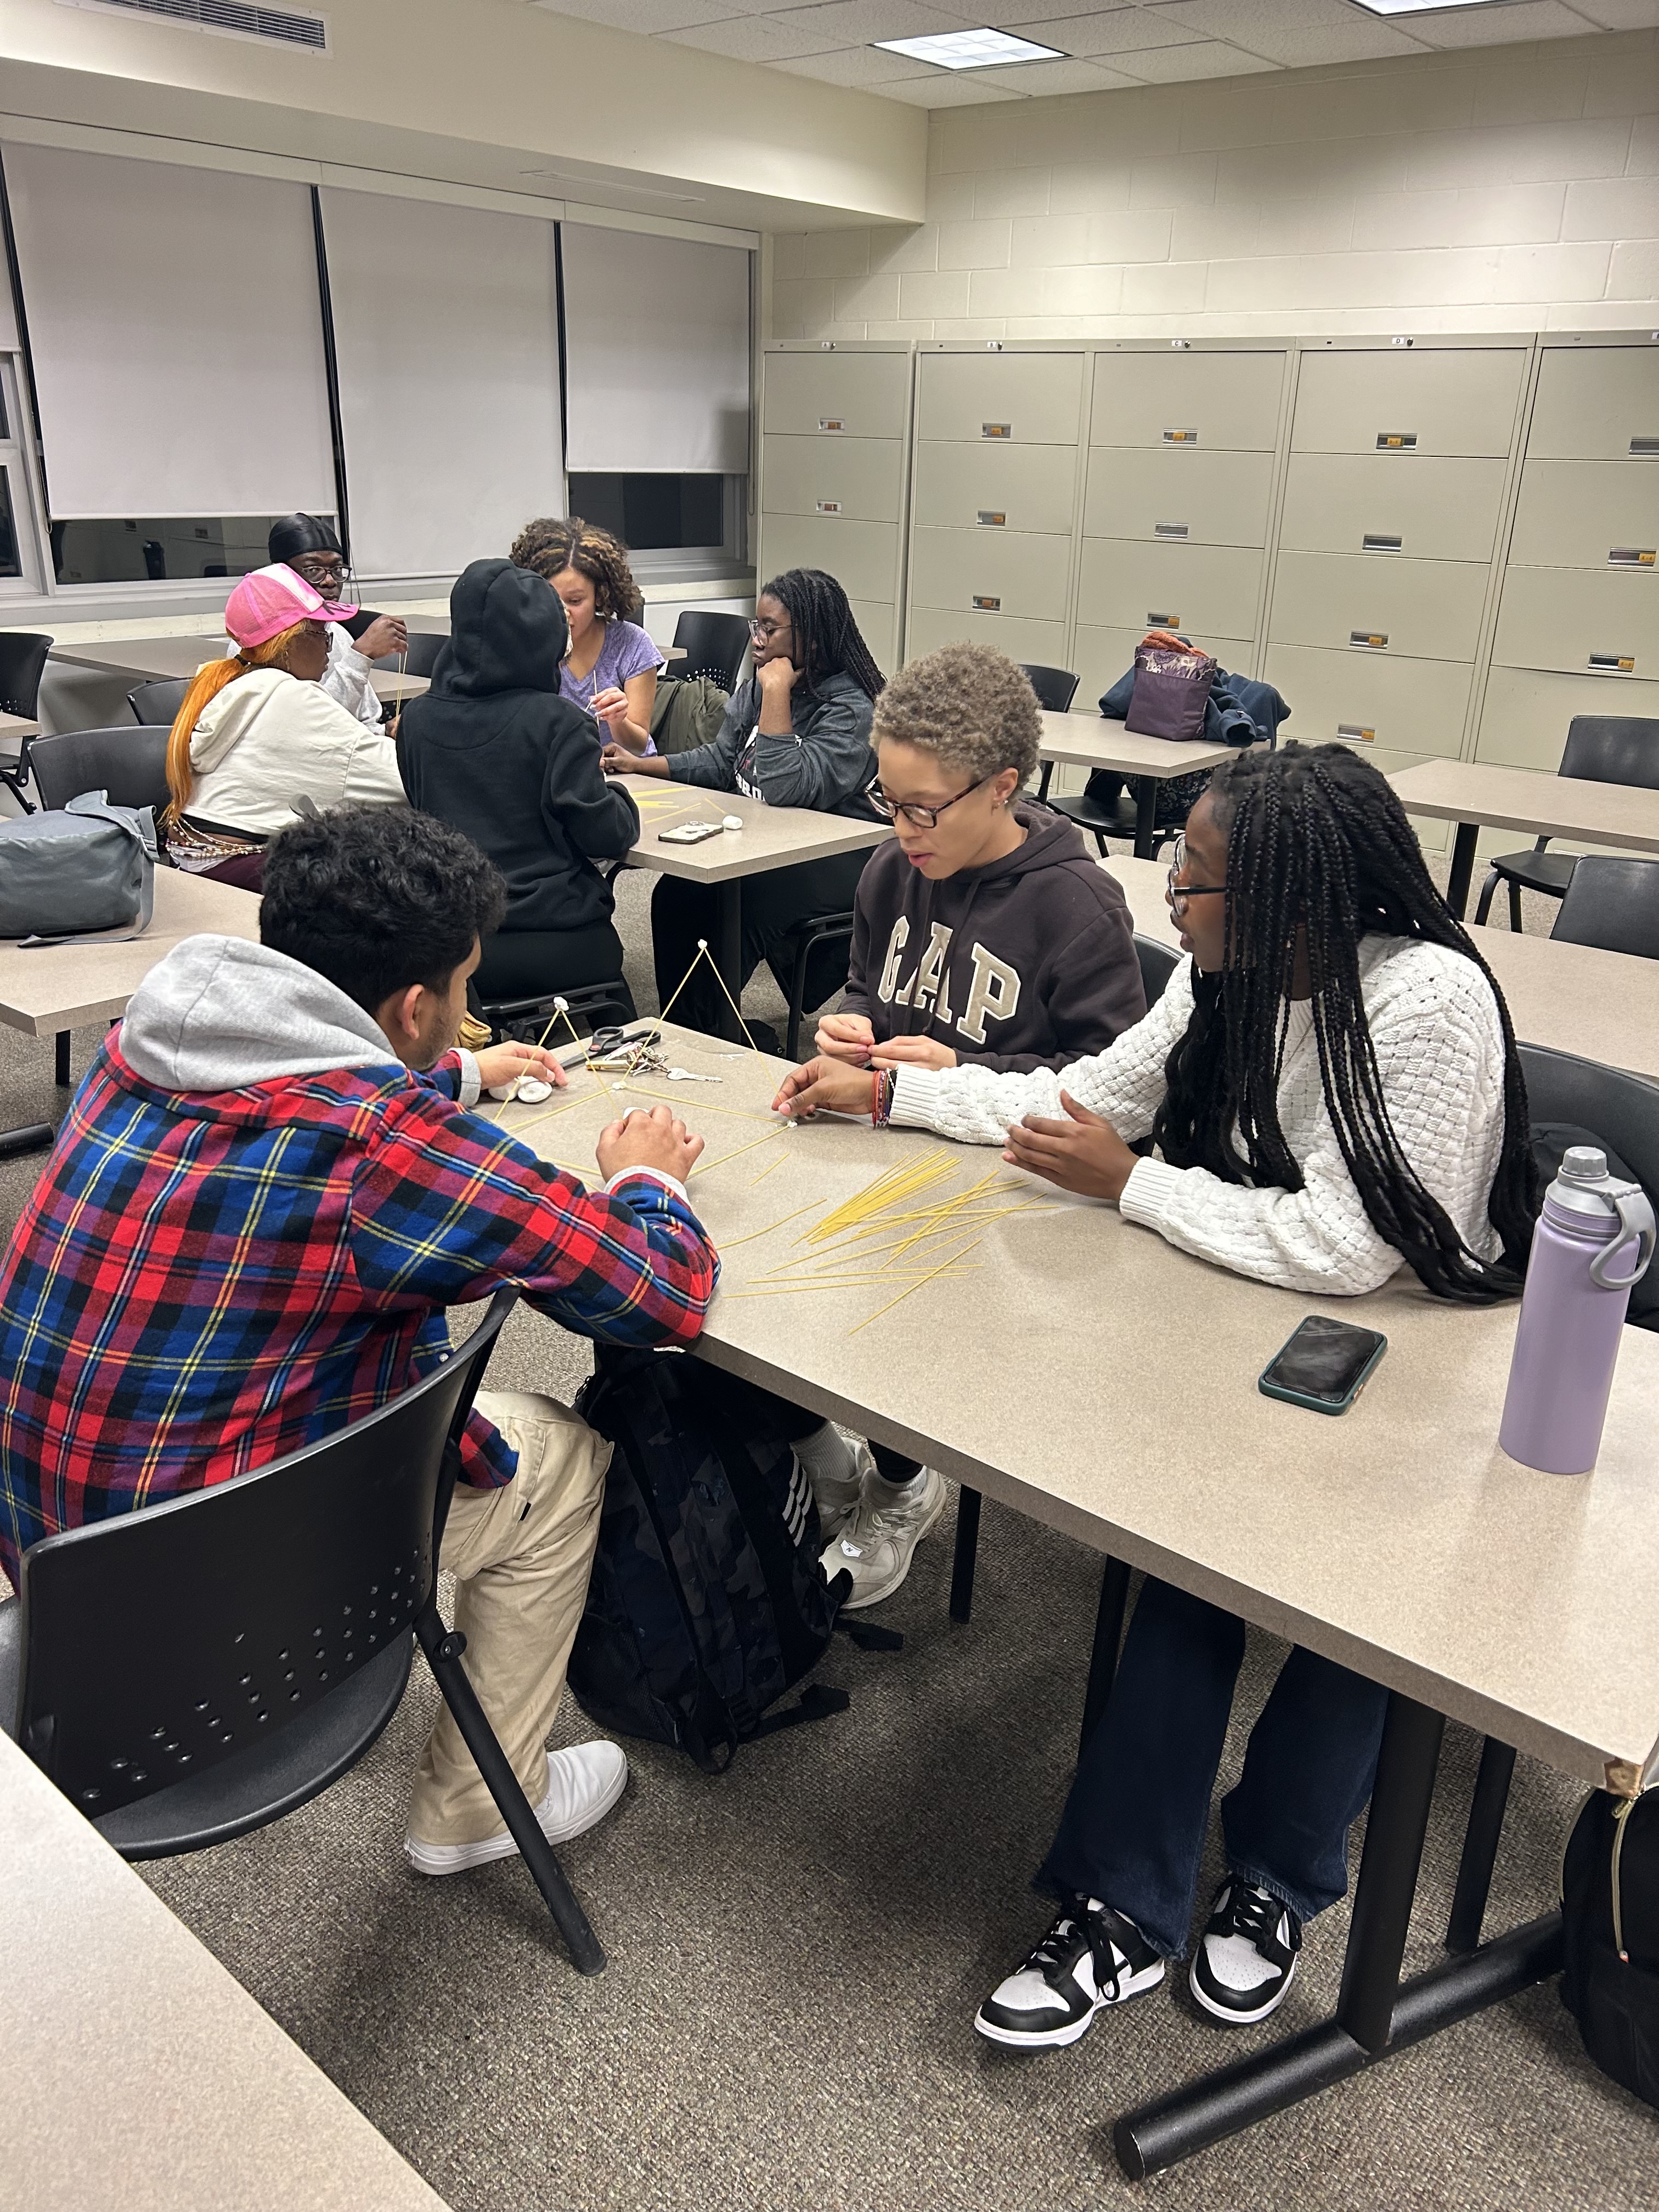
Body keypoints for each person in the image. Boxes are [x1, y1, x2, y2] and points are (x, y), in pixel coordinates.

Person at [778, 742, 1541, 2041]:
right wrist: (900, 1092)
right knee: (1195, 1560)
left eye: (1194, 881)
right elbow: (1084, 1101)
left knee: (1358, 1601)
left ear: (1294, 900)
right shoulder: (1225, 973)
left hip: (1424, 1354)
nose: (1172, 904)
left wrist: (1127, 1185)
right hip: (1271, 1316)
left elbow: (1351, 1250)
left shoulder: (1428, 1003)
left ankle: (1278, 1882)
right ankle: (1124, 1908)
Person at [0, 805, 716, 1872]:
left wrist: (466, 1075)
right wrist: (650, 1176)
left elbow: (309, 1081)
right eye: (465, 993)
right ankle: (479, 1808)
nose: (469, 1011)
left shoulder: (141, 1049)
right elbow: (659, 1293)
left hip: (54, 1570)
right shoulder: (384, 1149)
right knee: (563, 1459)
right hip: (205, 1616)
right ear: (416, 1004)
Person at [803, 640, 1149, 1609]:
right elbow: (870, 987)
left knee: (903, 1326)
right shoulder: (889, 870)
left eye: (924, 807)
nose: (903, 828)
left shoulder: (1075, 906)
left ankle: (904, 1480)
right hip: (889, 1148)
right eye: (888, 800)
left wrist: (966, 1068)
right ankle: (827, 1447)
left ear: (1001, 788)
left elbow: (1111, 1089)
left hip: (1005, 1188)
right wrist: (854, 1021)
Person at [607, 568, 884, 1041]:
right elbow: (722, 759)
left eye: (769, 629)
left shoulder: (851, 709)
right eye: (755, 625)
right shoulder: (759, 684)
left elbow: (782, 785)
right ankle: (697, 1027)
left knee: (737, 905)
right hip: (770, 840)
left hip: (838, 853)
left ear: (811, 638)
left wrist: (776, 692)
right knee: (677, 892)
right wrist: (642, 765)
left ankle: (709, 1034)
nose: (756, 639)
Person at [397, 558, 640, 1013]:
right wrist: (620, 798)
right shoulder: (558, 722)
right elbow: (604, 835)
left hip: (451, 941)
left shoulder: (416, 718)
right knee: (613, 976)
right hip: (548, 935)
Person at [163, 563, 406, 889]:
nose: (329, 648)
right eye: (323, 634)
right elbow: (401, 782)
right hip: (243, 867)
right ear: (292, 640)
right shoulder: (293, 696)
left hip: (192, 858)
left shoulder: (235, 684)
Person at [510, 515, 663, 756]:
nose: (564, 612)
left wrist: (618, 720)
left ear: (600, 596)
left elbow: (638, 744)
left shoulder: (632, 644)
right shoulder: (526, 647)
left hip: (627, 775)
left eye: (575, 601)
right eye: (552, 598)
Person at [267, 512, 408, 730]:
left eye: (336, 569)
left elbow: (362, 722)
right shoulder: (265, 643)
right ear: (281, 576)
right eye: (314, 570)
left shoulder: (338, 633)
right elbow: (310, 729)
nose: (330, 580)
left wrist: (386, 731)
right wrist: (360, 655)